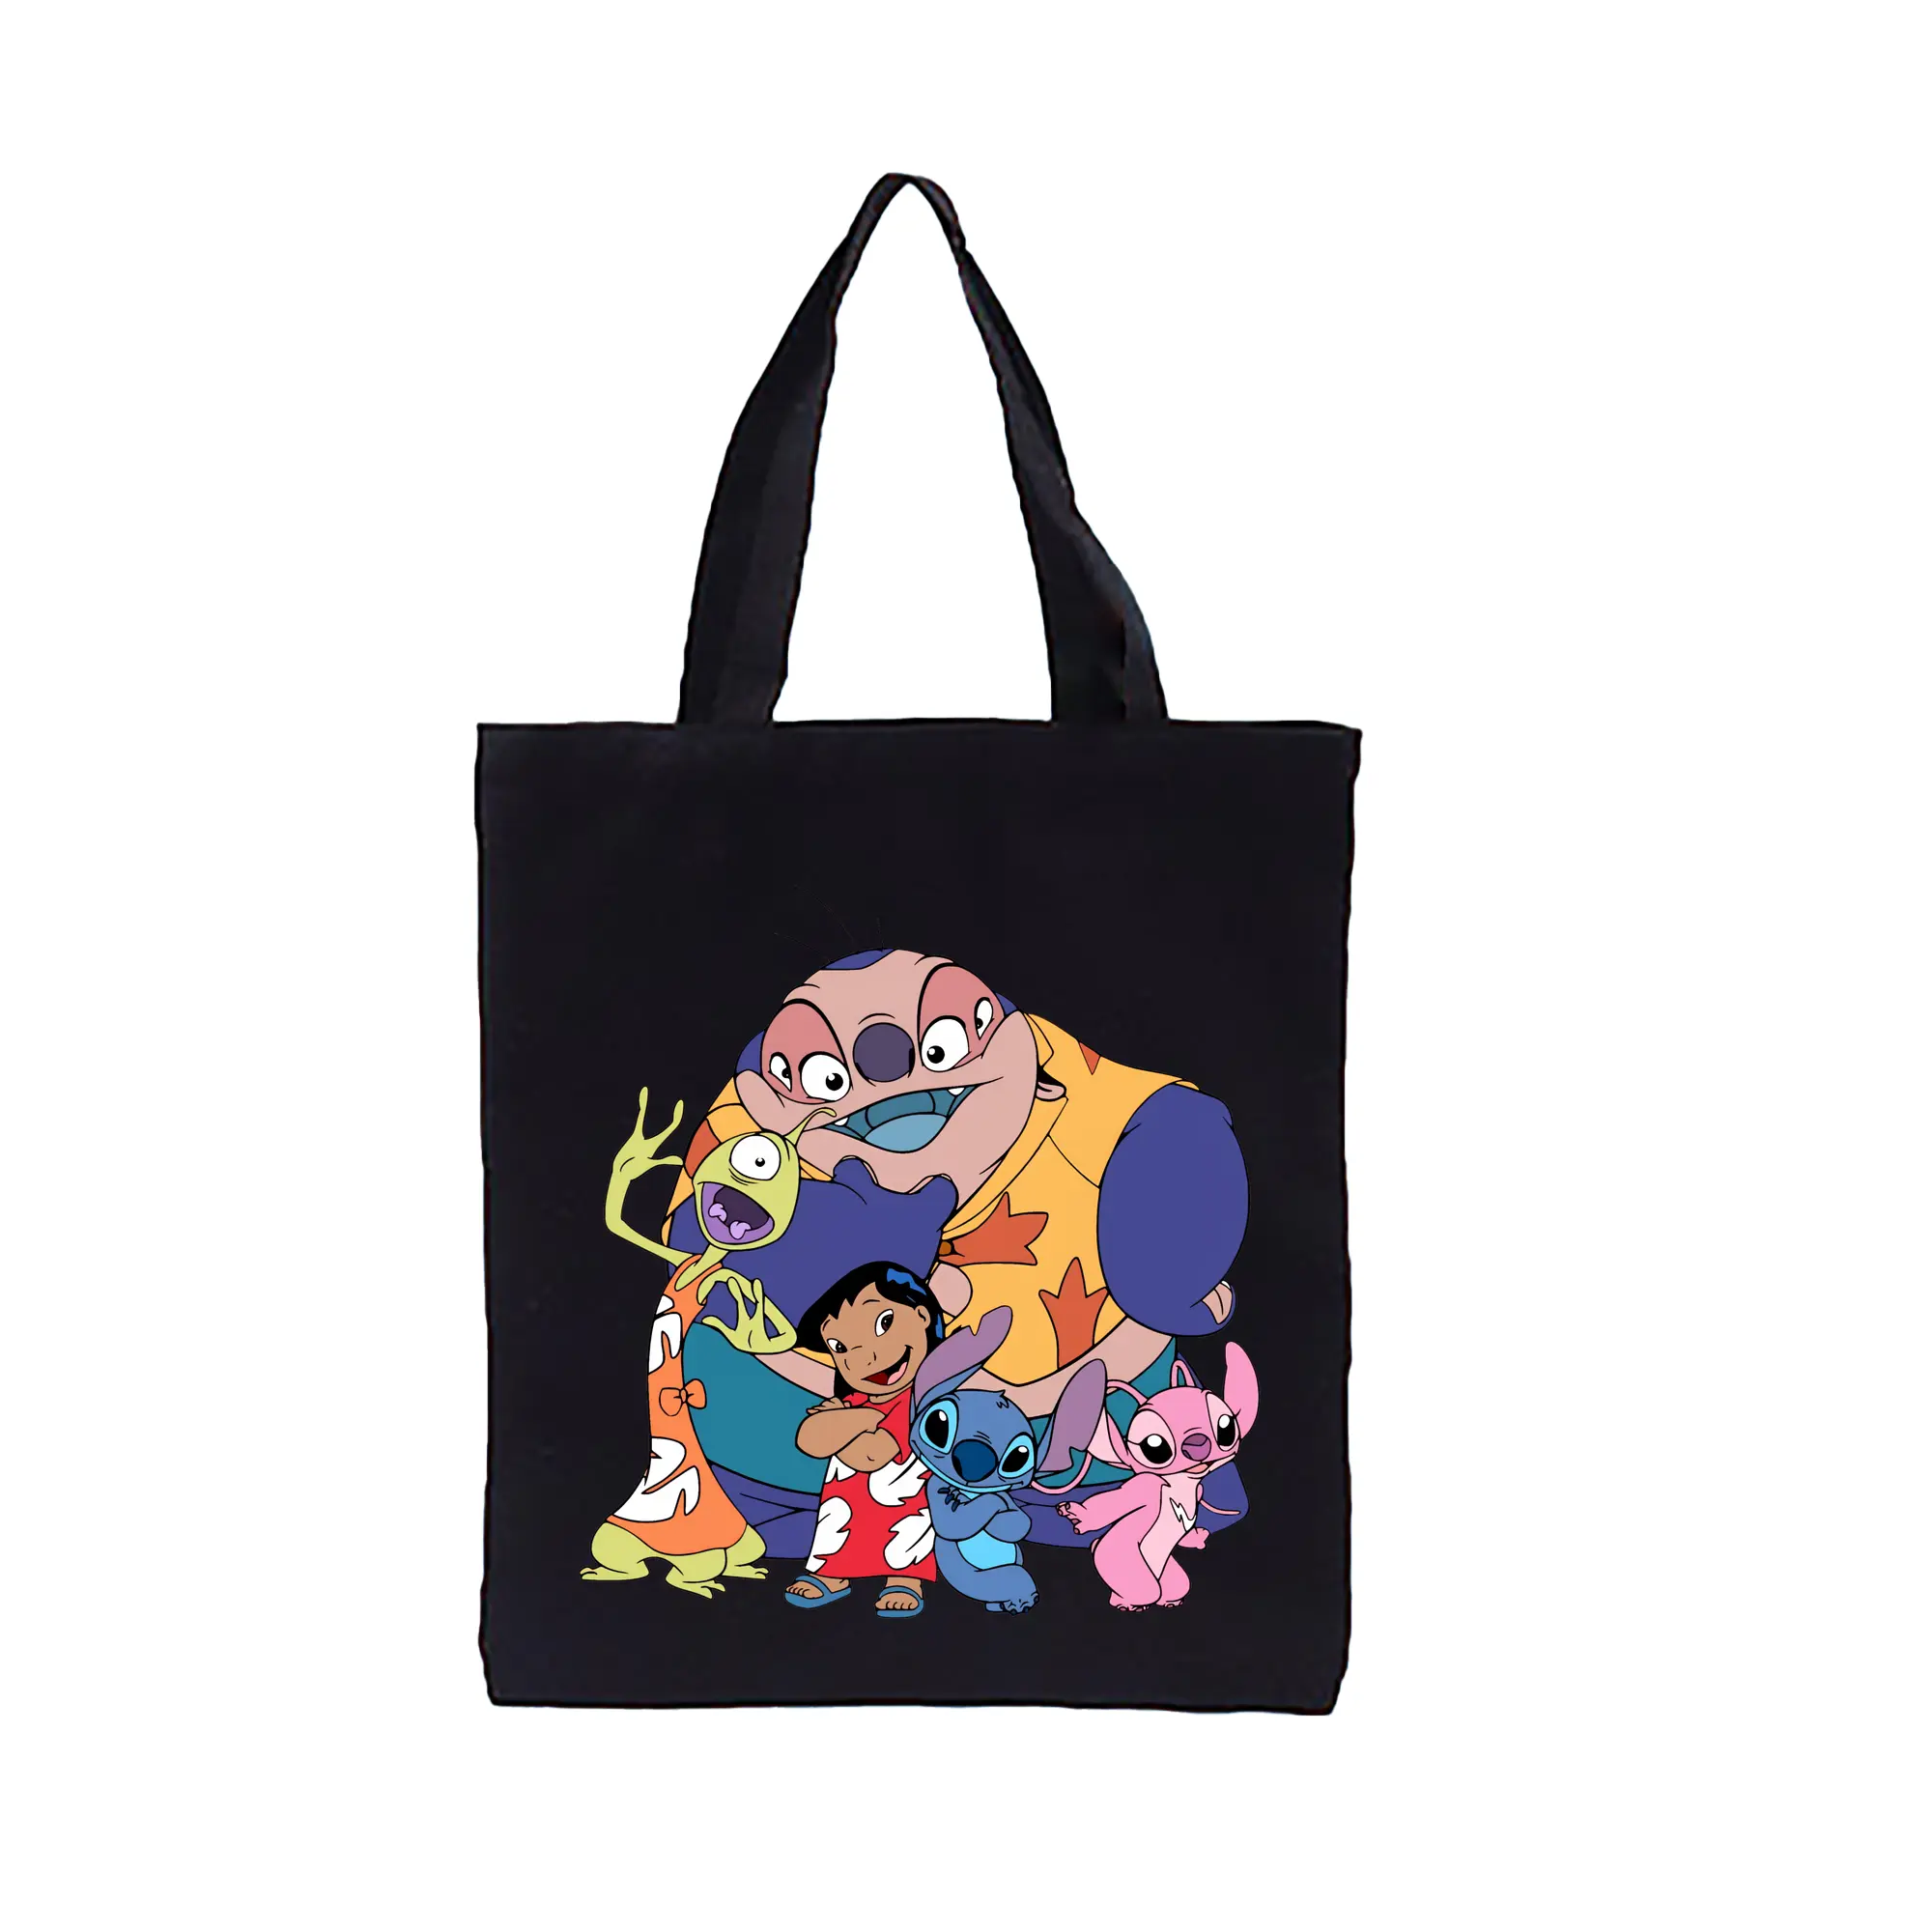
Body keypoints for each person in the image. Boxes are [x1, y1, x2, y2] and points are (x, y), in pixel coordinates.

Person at [783, 1263, 942, 1618]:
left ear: (921, 1317)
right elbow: (809, 1441)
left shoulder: (920, 1405)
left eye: (883, 1324)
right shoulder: (858, 1402)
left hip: (905, 1505)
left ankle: (905, 1580)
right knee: (836, 1529)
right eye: (839, 1346)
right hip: (845, 1505)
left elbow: (870, 1455)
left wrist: (839, 1424)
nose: (862, 1358)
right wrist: (863, 1418)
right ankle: (833, 1574)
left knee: (906, 1539)